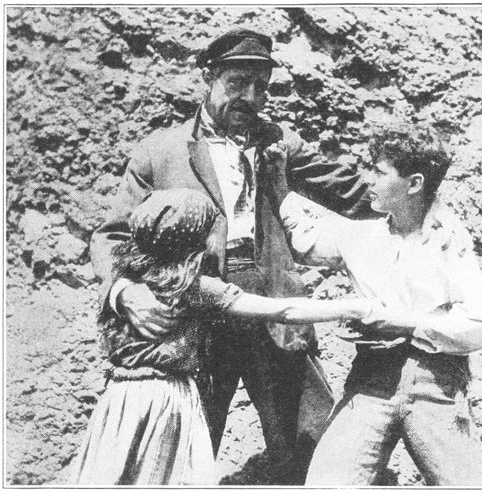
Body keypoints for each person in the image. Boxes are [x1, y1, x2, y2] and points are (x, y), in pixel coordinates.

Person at [89, 27, 370, 482]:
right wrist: (124, 292)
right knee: (187, 445)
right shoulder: (160, 152)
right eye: (237, 83)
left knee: (311, 441)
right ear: (209, 76)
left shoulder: (280, 143)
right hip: (196, 312)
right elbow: (111, 237)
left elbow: (350, 192)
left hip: (271, 301)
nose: (250, 97)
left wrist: (425, 208)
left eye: (261, 86)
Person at [73, 189, 386, 485]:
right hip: (167, 399)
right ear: (193, 242)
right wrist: (357, 307)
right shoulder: (194, 287)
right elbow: (285, 310)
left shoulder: (130, 285)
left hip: (121, 401)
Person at [263, 123, 482, 485]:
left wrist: (403, 323)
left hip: (435, 385)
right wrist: (278, 182)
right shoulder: (362, 233)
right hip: (371, 381)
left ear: (414, 183)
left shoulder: (450, 239)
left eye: (379, 171)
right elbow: (304, 240)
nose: (367, 179)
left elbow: (481, 326)